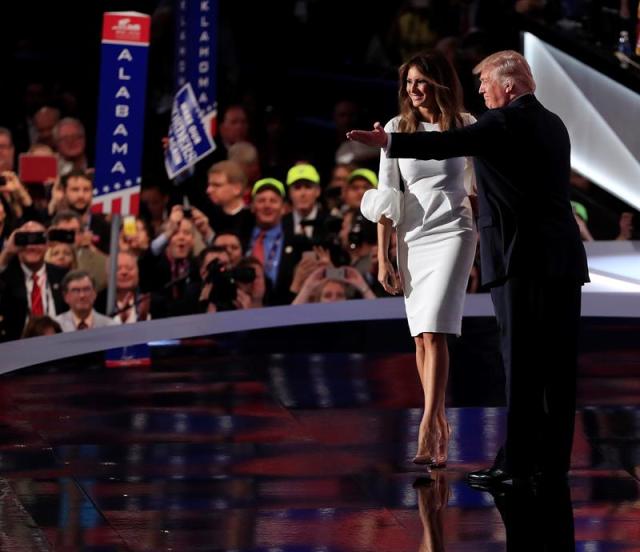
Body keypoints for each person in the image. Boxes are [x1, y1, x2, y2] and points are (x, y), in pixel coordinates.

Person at [348, 50, 590, 484]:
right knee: (557, 366)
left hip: (518, 258)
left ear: (509, 86)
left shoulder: (498, 123)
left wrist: (387, 142)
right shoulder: (554, 123)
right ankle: (551, 462)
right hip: (562, 259)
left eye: (486, 84)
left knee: (521, 365)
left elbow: (444, 143)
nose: (482, 90)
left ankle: (516, 464)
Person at [356, 51, 477, 469]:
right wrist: (384, 255)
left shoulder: (464, 125)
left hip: (455, 231)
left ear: (440, 83)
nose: (414, 90)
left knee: (436, 328)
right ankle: (439, 418)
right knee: (421, 336)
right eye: (409, 82)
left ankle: (428, 422)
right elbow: (387, 195)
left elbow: (478, 186)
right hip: (413, 233)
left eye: (422, 81)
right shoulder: (395, 129)